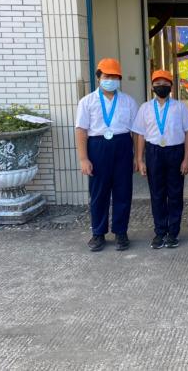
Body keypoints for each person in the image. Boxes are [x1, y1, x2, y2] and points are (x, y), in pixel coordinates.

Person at [75, 58, 138, 252]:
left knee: (123, 191)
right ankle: (98, 233)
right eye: (106, 76)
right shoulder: (87, 102)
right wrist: (84, 158)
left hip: (122, 145)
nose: (110, 80)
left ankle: (121, 232)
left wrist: (137, 156)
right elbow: (81, 130)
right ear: (98, 77)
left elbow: (136, 131)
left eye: (114, 76)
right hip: (97, 147)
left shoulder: (128, 101)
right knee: (98, 192)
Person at [132, 70, 188, 249]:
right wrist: (140, 159)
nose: (162, 86)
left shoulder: (180, 107)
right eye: (158, 84)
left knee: (175, 193)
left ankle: (173, 233)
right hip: (153, 152)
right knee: (157, 193)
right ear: (152, 87)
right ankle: (160, 232)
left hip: (175, 152)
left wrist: (187, 158)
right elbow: (140, 134)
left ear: (171, 86)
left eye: (165, 84)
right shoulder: (145, 108)